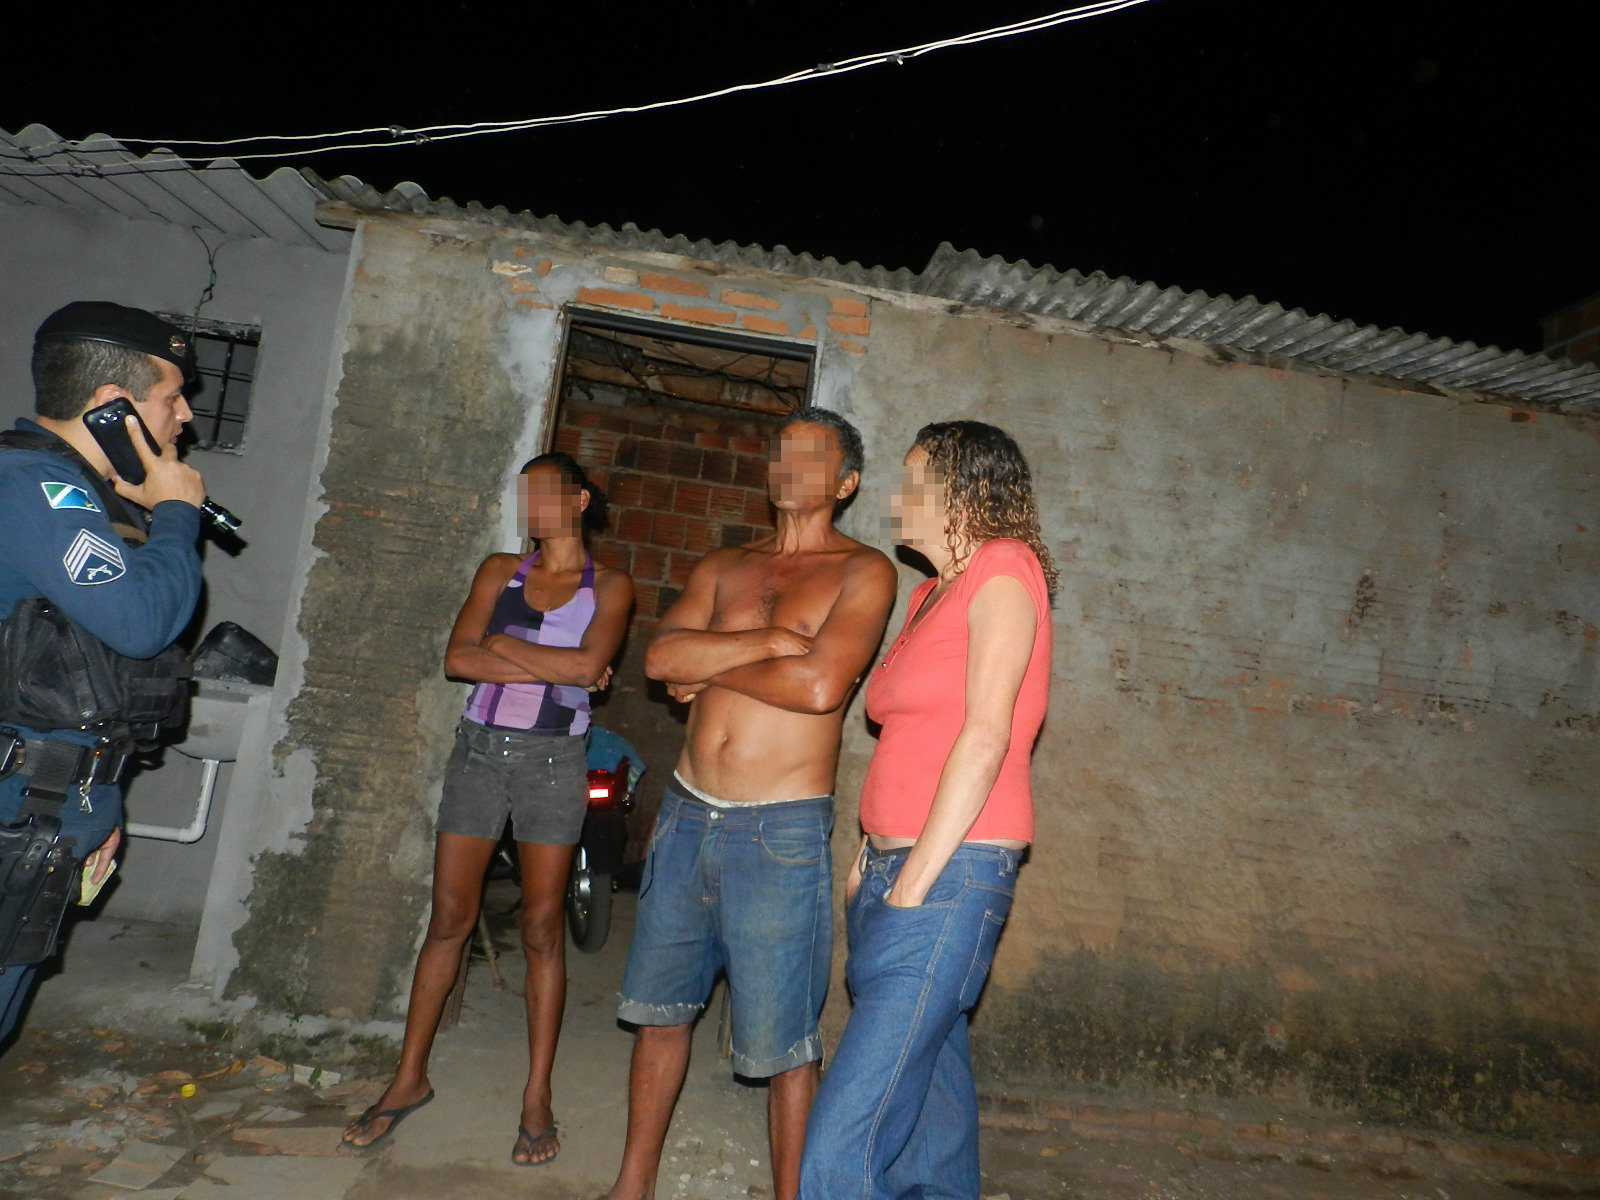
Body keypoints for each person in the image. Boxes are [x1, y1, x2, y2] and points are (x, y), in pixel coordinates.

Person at [599, 407, 897, 1200]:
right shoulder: (726, 565)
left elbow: (823, 685)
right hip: (688, 814)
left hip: (780, 829)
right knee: (660, 1013)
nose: (788, 467)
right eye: (781, 453)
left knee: (783, 1046)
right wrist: (769, 644)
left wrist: (712, 665)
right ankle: (632, 1187)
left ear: (846, 482)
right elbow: (662, 658)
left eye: (810, 456)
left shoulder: (863, 571)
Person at [341, 452, 633, 1164]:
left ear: (582, 499)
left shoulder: (612, 585)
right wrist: (538, 659)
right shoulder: (499, 570)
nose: (531, 503)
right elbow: (458, 660)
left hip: (552, 761)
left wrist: (500, 644)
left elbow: (586, 673)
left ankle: (537, 1096)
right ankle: (408, 1079)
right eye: (524, 492)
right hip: (478, 751)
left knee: (540, 928)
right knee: (449, 919)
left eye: (545, 492)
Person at [798, 420, 1057, 1200]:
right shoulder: (927, 596)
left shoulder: (1005, 570)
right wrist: (869, 859)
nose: (895, 497)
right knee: (933, 1125)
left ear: (965, 488)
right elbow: (908, 735)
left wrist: (913, 881)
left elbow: (986, 736)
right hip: (895, 870)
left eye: (913, 478)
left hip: (947, 877)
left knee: (840, 1146)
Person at [0, 301, 206, 1048]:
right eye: (170, 397)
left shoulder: (77, 496)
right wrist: (178, 512)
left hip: (44, 808)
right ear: (112, 409)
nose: (184, 416)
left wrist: (99, 805)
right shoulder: (36, 489)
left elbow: (90, 677)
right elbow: (140, 620)